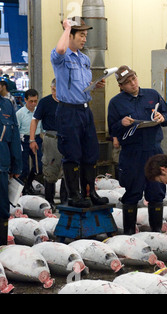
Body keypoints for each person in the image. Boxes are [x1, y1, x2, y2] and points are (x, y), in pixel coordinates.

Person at [51, 17, 108, 208]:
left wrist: (94, 85)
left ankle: (89, 193)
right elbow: (60, 49)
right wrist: (67, 28)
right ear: (71, 36)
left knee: (90, 154)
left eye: (86, 35)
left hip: (85, 111)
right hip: (68, 112)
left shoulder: (84, 60)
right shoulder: (61, 57)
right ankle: (74, 196)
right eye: (81, 35)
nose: (84, 39)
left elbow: (80, 87)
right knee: (72, 154)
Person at [107, 66, 167, 234]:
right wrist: (121, 123)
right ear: (121, 86)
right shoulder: (115, 103)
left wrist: (162, 117)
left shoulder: (152, 95)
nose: (133, 84)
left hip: (154, 151)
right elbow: (112, 130)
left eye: (133, 79)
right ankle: (129, 233)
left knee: (156, 190)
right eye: (127, 83)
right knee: (132, 191)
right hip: (131, 153)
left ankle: (156, 232)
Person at [30, 79, 67, 208]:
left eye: (58, 90)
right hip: (51, 138)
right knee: (50, 169)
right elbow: (35, 120)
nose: (56, 93)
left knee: (68, 170)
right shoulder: (45, 102)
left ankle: (65, 200)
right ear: (51, 88)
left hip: (67, 138)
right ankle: (49, 201)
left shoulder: (68, 101)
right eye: (53, 90)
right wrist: (32, 139)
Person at [0, 93, 22, 245]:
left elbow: (14, 136)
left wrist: (17, 165)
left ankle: (1, 245)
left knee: (2, 207)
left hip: (2, 165)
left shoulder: (7, 105)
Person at [16, 89, 43, 195]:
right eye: (31, 101)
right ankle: (24, 188)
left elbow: (43, 128)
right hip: (23, 140)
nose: (33, 104)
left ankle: (29, 183)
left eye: (35, 101)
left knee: (39, 167)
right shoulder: (19, 113)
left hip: (37, 139)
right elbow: (16, 131)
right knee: (24, 169)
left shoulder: (39, 112)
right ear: (25, 100)